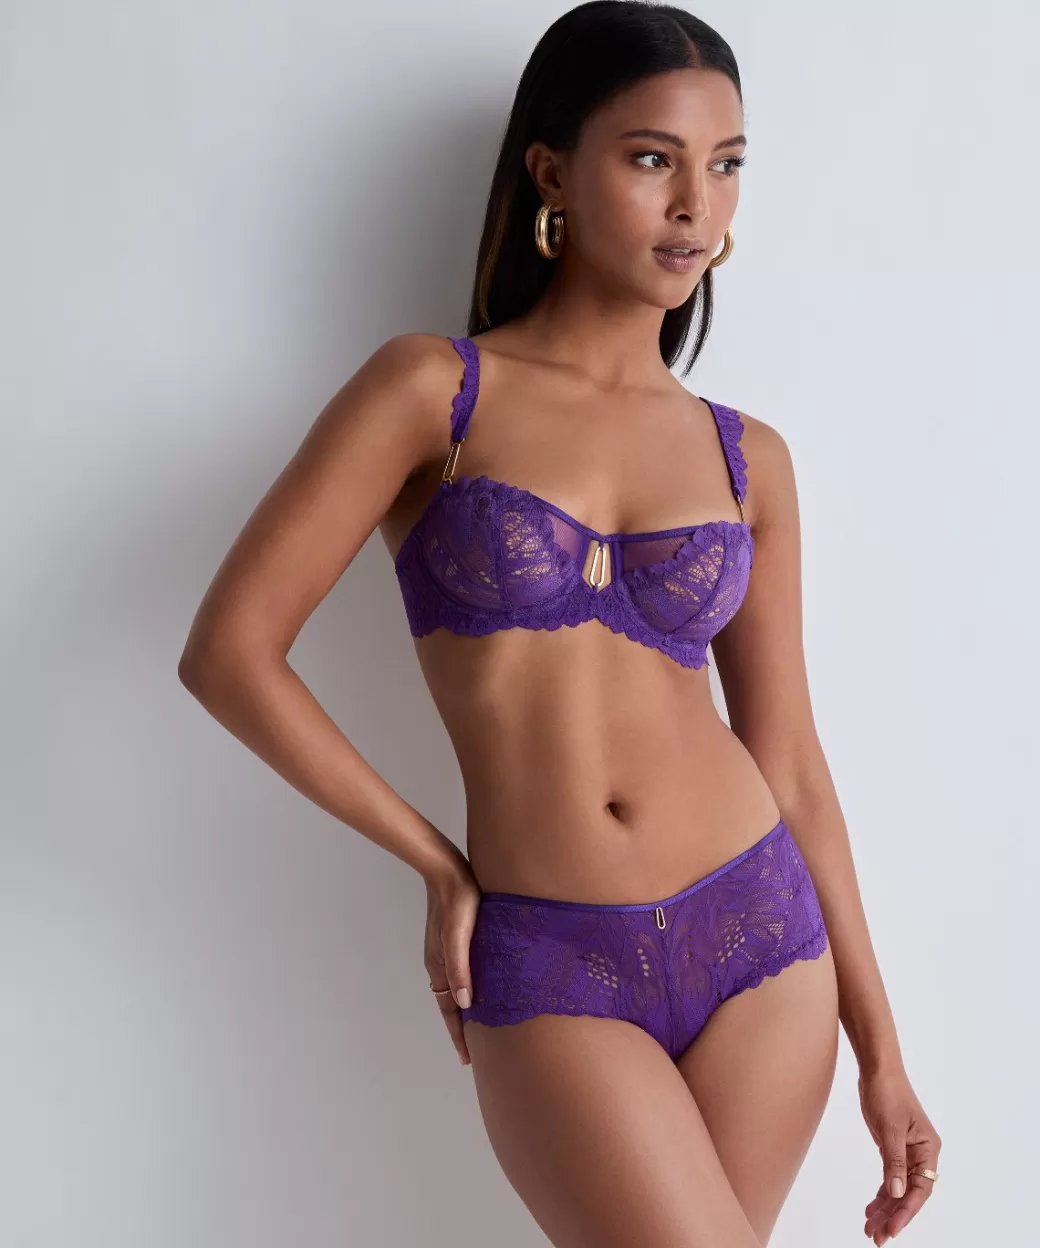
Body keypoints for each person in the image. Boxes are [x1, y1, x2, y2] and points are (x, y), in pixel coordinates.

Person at [178, 3, 941, 1244]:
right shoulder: (432, 391)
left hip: (762, 939)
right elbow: (228, 653)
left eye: (725, 165)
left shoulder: (745, 458)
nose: (694, 206)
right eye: (651, 159)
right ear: (551, 172)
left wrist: (882, 1049)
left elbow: (791, 763)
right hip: (548, 955)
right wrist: (436, 863)